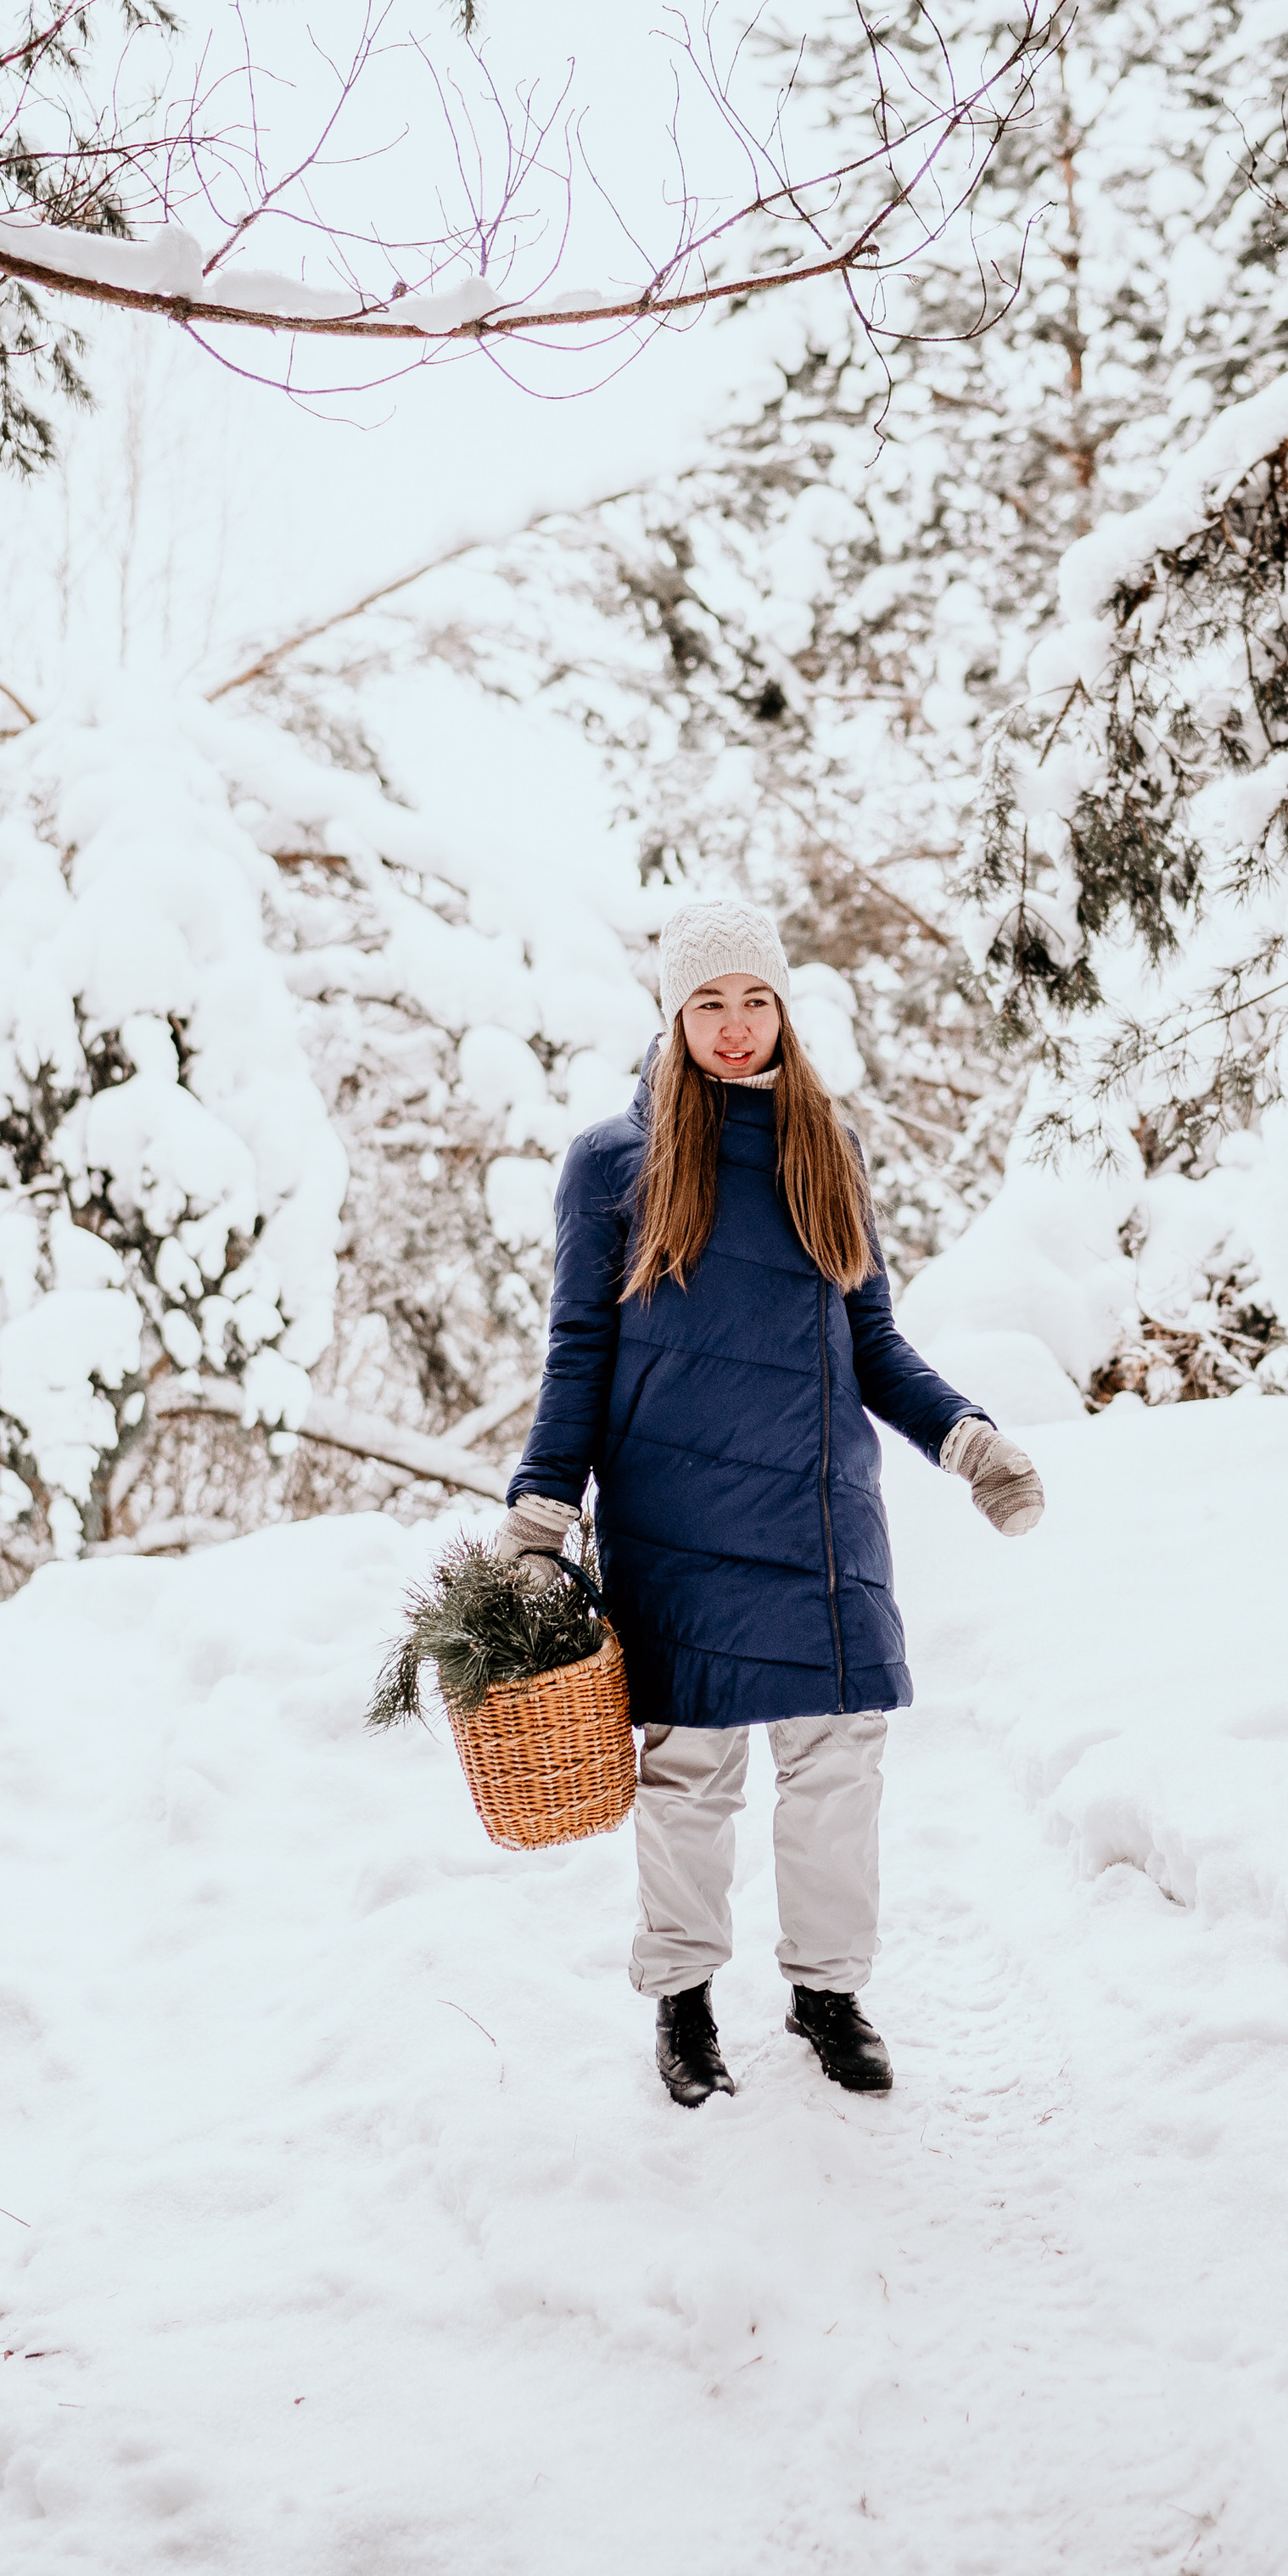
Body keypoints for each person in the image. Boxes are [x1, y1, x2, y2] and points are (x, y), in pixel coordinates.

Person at [497, 897, 1044, 2109]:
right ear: (674, 1016)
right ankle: (684, 2002)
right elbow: (578, 1349)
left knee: (840, 1757)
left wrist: (967, 1439)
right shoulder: (613, 1166)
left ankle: (828, 1993)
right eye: (709, 1004)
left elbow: (875, 1343)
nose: (736, 1027)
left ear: (784, 1010)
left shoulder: (824, 1148)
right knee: (690, 1766)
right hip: (676, 1511)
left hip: (817, 1506)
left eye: (756, 1001)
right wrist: (541, 1513)